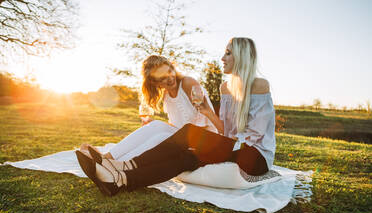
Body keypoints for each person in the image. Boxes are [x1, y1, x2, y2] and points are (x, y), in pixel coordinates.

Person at [76, 37, 276, 197]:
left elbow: (254, 137)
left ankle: (121, 165)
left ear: (241, 56)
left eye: (228, 53)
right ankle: (121, 180)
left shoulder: (259, 85)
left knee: (189, 133)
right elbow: (225, 130)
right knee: (186, 158)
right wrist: (207, 112)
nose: (222, 58)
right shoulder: (225, 88)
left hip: (256, 157)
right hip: (233, 147)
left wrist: (216, 144)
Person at [79, 55, 217, 165]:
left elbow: (203, 121)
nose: (169, 79)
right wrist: (152, 125)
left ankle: (118, 164)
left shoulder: (188, 83)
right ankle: (107, 158)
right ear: (154, 82)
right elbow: (177, 125)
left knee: (161, 137)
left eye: (169, 71)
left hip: (203, 138)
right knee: (156, 125)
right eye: (162, 78)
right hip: (184, 135)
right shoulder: (166, 95)